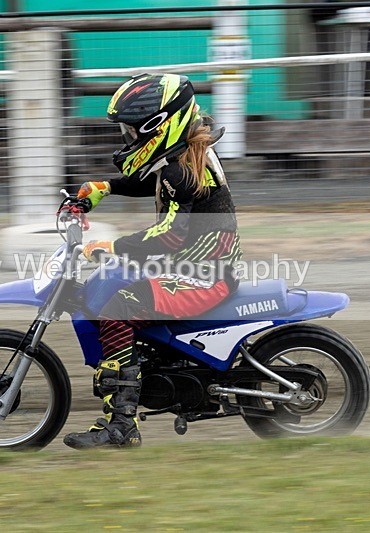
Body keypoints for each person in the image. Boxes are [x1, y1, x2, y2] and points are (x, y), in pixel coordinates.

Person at [63, 73, 243, 450]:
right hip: (189, 267)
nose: (129, 140)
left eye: (132, 133)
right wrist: (104, 188)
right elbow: (153, 181)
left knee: (118, 308)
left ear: (158, 127)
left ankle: (122, 426)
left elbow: (170, 234)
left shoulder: (183, 169)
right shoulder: (181, 157)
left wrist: (113, 247)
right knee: (117, 282)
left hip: (203, 276)